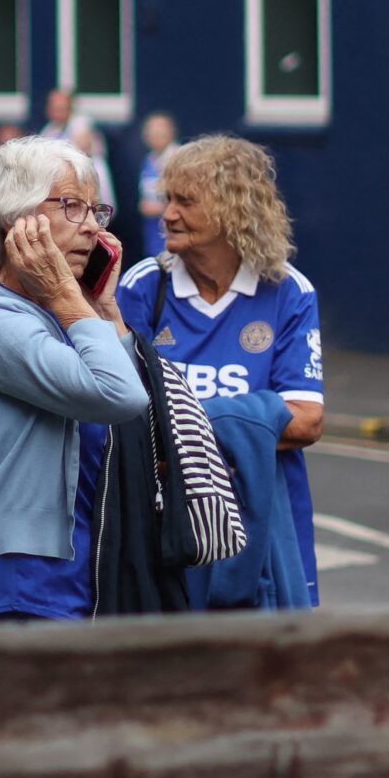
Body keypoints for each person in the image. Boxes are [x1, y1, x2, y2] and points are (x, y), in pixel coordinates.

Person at [0, 136, 147, 625]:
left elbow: (144, 415)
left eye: (96, 210)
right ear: (16, 219)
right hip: (17, 583)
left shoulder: (60, 312)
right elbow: (121, 395)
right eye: (72, 206)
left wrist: (104, 309)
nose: (93, 227)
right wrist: (70, 297)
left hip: (76, 571)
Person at [119, 134, 328, 604]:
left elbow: (306, 420)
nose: (167, 213)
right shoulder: (143, 287)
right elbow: (121, 414)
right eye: (167, 198)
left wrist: (182, 429)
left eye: (185, 201)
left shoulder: (289, 292)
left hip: (270, 532)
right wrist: (253, 417)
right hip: (170, 533)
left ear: (234, 210)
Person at [135, 112, 177, 263]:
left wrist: (159, 209)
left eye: (159, 133)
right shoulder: (149, 159)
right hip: (152, 234)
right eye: (151, 134)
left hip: (172, 235)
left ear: (170, 133)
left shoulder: (177, 159)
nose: (154, 137)